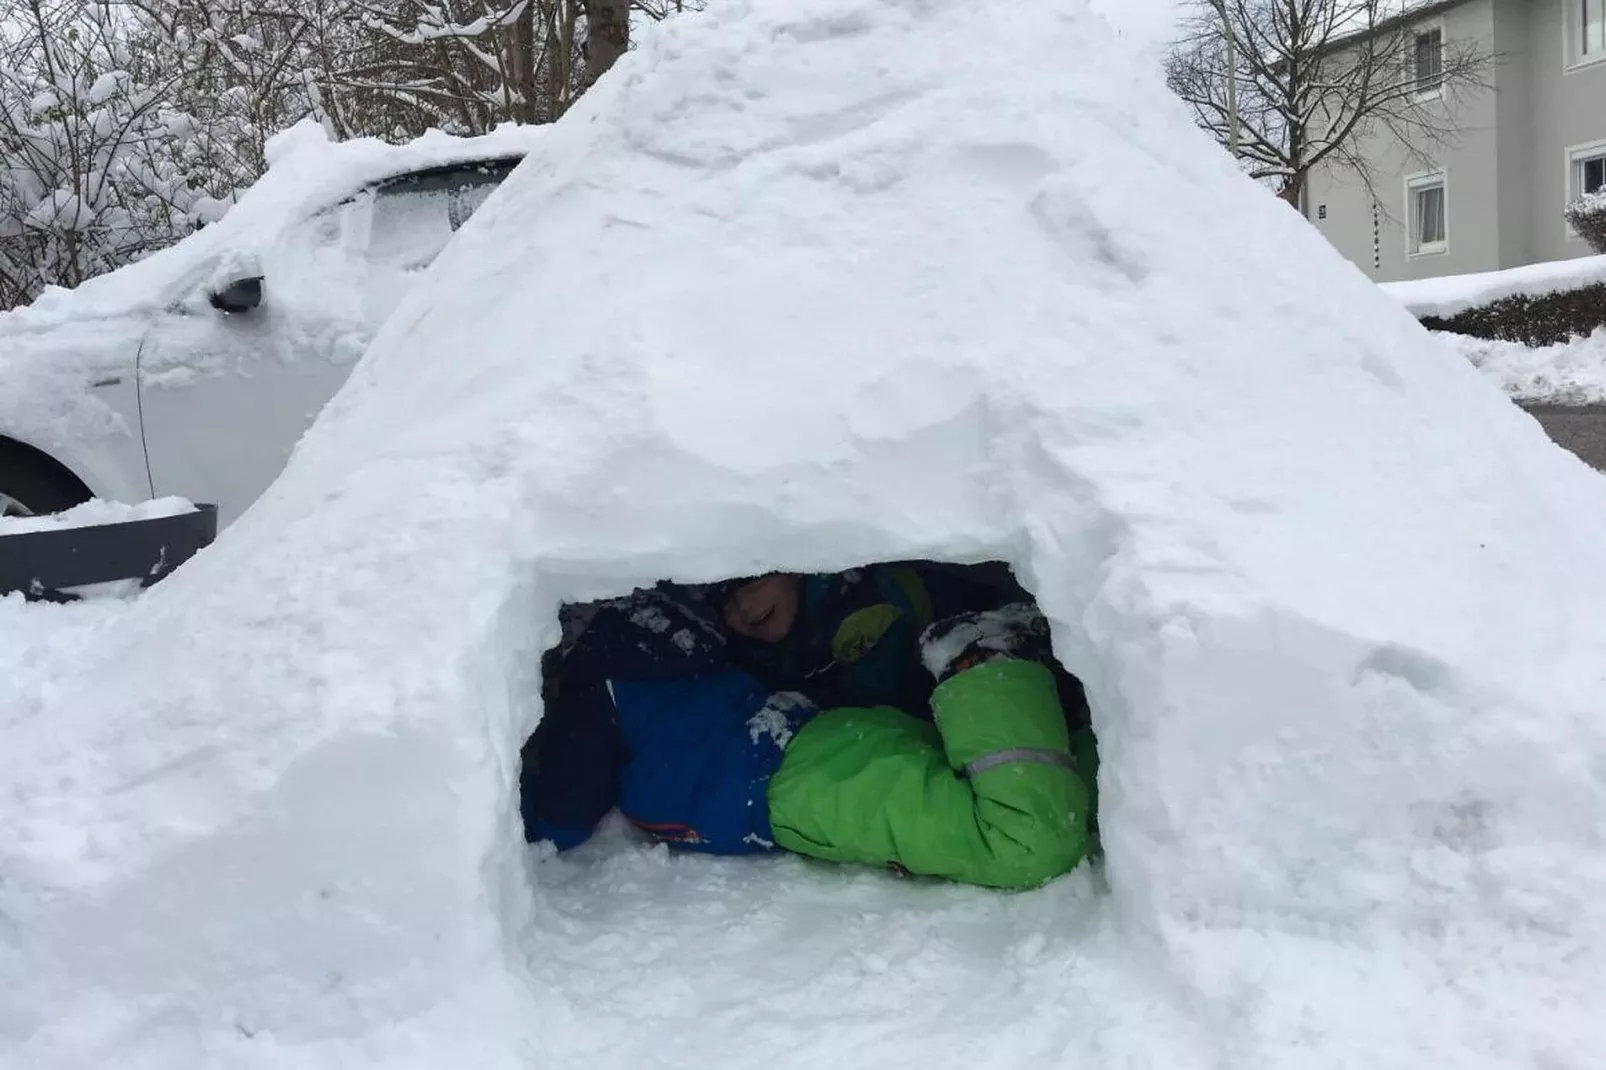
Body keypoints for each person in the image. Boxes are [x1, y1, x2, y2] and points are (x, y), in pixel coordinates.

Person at [520, 585, 1100, 890]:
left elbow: (564, 810)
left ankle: (982, 655)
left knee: (1024, 842)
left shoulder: (599, 694)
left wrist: (515, 811)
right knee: (1040, 792)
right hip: (818, 748)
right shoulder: (672, 677)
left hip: (794, 782)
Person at [719, 564, 1005, 715]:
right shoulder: (758, 629)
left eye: (755, 582)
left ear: (794, 571)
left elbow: (880, 703)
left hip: (967, 617)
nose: (744, 606)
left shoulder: (859, 616)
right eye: (728, 603)